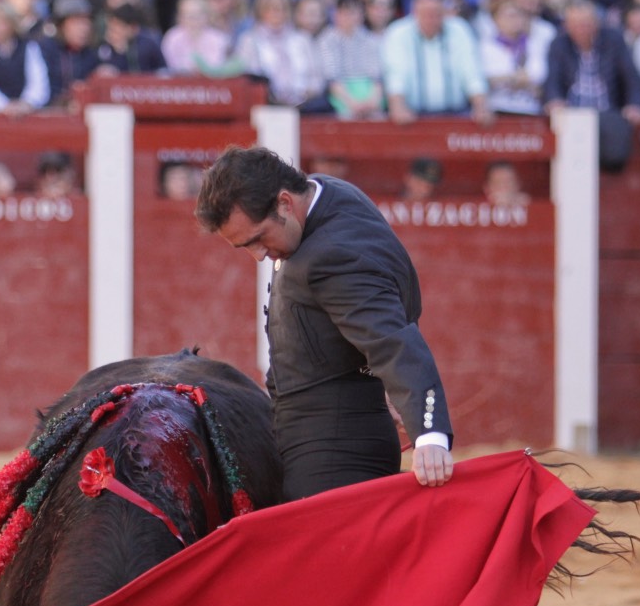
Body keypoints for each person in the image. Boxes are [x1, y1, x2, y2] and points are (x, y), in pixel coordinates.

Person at [194, 145, 454, 499]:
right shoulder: (325, 192)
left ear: (285, 203)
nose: (258, 256)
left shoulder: (332, 254)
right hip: (330, 432)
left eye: (258, 239)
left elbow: (392, 340)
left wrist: (429, 434)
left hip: (334, 452)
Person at [543, 0, 640, 171]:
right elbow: (552, 78)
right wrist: (554, 100)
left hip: (608, 111)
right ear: (566, 26)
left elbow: (631, 76)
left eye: (585, 24)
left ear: (596, 23)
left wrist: (635, 104)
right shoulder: (559, 44)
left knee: (615, 155)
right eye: (575, 24)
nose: (581, 29)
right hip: (571, 114)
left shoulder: (614, 39)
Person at [383, 0, 492, 124]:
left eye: (436, 14)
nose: (432, 20)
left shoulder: (459, 30)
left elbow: (471, 71)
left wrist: (481, 106)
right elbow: (396, 74)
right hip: (413, 117)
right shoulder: (398, 33)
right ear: (414, 14)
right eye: (426, 15)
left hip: (458, 115)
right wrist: (398, 107)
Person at [233, 0, 329, 110]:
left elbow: (317, 77)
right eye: (272, 8)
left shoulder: (302, 39)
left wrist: (308, 93)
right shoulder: (249, 40)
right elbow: (247, 75)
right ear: (261, 11)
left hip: (304, 106)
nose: (278, 13)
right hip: (266, 106)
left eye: (283, 8)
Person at [315, 0, 385, 118]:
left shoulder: (371, 40)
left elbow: (377, 79)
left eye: (353, 12)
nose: (349, 17)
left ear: (362, 14)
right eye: (344, 12)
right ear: (336, 14)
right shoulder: (327, 40)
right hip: (341, 94)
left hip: (368, 92)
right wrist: (353, 104)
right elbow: (332, 80)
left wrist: (372, 102)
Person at [160, 0, 230, 73]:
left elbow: (218, 65)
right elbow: (168, 65)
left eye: (197, 16)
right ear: (180, 17)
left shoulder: (219, 38)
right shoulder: (172, 37)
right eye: (188, 16)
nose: (193, 20)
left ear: (207, 16)